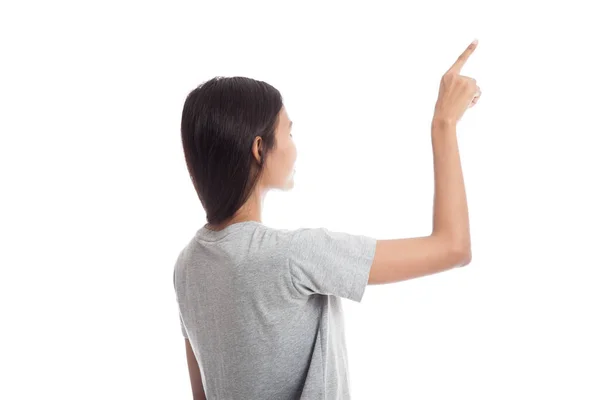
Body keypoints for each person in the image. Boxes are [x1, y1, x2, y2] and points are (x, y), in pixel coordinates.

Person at [173, 39, 482, 399]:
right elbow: (453, 247)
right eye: (288, 131)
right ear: (259, 149)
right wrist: (444, 122)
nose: (294, 145)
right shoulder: (294, 256)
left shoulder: (187, 267)